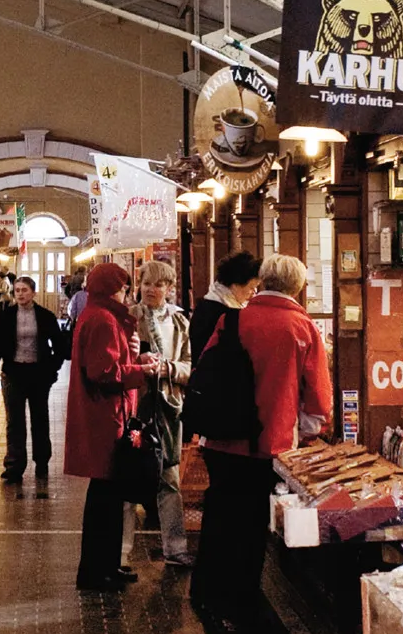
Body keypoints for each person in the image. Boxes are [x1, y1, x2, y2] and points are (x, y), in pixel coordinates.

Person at [192, 253, 331, 609]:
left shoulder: (233, 320)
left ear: (263, 281)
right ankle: (242, 596)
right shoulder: (302, 329)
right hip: (268, 442)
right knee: (252, 523)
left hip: (221, 437)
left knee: (219, 511)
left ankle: (206, 588)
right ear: (298, 287)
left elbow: (204, 370)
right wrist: (309, 431)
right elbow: (318, 397)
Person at [64, 261, 170, 592]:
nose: (127, 294)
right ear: (113, 288)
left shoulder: (99, 315)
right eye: (124, 288)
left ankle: (105, 566)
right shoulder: (104, 320)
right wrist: (143, 373)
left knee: (107, 499)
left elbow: (109, 364)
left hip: (105, 416)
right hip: (105, 420)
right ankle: (97, 573)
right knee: (104, 500)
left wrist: (135, 362)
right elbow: (104, 373)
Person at [0, 275, 67, 495]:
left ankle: (42, 461)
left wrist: (52, 369)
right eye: (17, 290)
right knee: (14, 421)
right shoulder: (6, 317)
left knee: (40, 418)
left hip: (38, 374)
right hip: (13, 373)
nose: (20, 294)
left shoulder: (45, 316)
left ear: (33, 293)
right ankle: (14, 466)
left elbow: (60, 346)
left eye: (24, 290)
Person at [133, 260, 192, 566]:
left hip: (168, 409)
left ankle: (176, 549)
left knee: (169, 477)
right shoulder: (129, 319)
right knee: (129, 476)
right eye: (146, 283)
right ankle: (120, 553)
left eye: (158, 285)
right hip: (135, 411)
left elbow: (189, 365)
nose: (151, 290)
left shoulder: (180, 323)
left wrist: (168, 368)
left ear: (169, 289)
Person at [191, 251, 261, 365]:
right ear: (235, 285)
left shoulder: (207, 303)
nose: (254, 292)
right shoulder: (224, 313)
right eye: (252, 287)